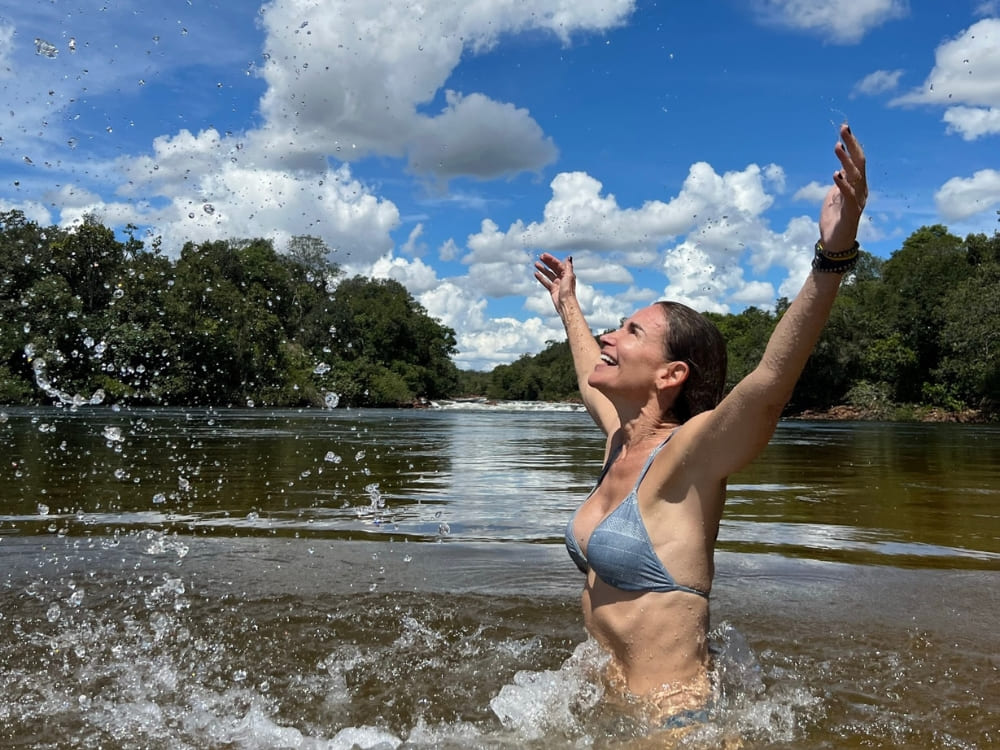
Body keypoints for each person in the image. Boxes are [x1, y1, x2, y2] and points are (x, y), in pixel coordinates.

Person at [533, 123, 867, 728]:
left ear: (671, 375)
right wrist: (568, 306)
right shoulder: (619, 438)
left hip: (673, 724)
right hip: (604, 707)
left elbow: (769, 382)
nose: (609, 337)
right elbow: (588, 374)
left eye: (630, 331)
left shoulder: (690, 455)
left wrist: (832, 258)